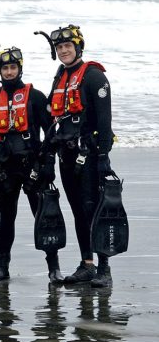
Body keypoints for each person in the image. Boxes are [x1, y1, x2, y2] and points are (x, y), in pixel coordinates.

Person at [0, 46, 63, 283]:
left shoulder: (35, 96)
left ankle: (54, 268)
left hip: (32, 167)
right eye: (5, 68)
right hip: (5, 169)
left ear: (19, 69)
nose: (9, 72)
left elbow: (51, 132)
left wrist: (49, 164)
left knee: (43, 217)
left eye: (13, 67)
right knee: (6, 218)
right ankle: (3, 268)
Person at [40, 24, 115, 287]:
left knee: (93, 208)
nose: (63, 51)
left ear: (78, 46)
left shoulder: (94, 76)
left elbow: (105, 120)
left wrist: (104, 155)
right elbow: (53, 118)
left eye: (67, 46)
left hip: (90, 154)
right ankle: (87, 264)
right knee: (77, 210)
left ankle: (104, 269)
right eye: (59, 47)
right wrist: (47, 155)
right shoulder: (60, 76)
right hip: (67, 154)